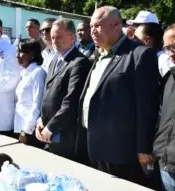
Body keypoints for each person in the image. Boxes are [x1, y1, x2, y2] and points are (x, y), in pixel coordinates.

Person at [76, 6, 159, 185]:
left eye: (97, 25)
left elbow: (147, 107)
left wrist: (144, 149)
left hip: (121, 152)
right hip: (94, 146)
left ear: (115, 25)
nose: (92, 31)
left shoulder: (140, 55)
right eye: (91, 27)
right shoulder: (100, 55)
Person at [35, 18, 92, 160]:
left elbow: (71, 101)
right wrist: (41, 120)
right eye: (52, 37)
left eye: (59, 37)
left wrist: (50, 128)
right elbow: (47, 94)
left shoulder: (79, 62)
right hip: (48, 132)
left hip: (66, 136)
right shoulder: (54, 60)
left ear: (72, 37)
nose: (54, 41)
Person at [153, 24, 175, 191]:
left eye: (173, 47)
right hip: (164, 166)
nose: (170, 54)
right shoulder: (169, 78)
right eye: (167, 49)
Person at [14, 39, 46, 147]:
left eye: (21, 52)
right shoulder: (24, 73)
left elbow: (37, 104)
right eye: (17, 52)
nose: (17, 55)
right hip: (20, 127)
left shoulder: (38, 73)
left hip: (29, 131)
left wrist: (25, 131)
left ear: (31, 54)